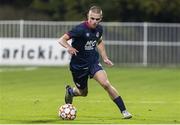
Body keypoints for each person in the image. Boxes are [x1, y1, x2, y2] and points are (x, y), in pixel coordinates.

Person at [58, 6, 132, 119]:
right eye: (92, 18)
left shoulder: (99, 29)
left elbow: (100, 42)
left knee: (106, 84)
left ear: (101, 19)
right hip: (78, 66)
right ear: (88, 16)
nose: (94, 21)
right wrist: (68, 47)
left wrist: (105, 57)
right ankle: (71, 91)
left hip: (93, 62)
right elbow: (62, 39)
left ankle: (124, 111)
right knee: (83, 93)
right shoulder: (80, 29)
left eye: (97, 19)